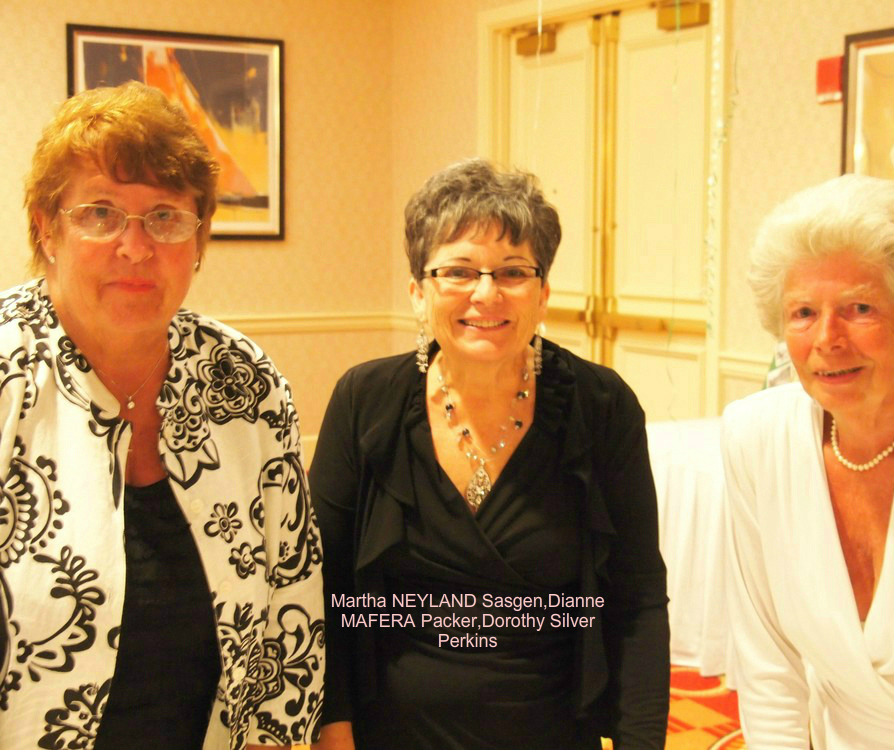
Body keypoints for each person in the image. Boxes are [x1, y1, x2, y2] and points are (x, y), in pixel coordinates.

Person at [0, 82, 324, 749]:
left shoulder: (245, 384)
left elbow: (293, 604)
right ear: (45, 227)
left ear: (199, 238)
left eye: (166, 217)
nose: (135, 246)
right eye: (100, 213)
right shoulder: (8, 375)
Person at [310, 158, 669, 750]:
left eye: (512, 272)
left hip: (550, 733)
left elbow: (638, 601)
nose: (486, 293)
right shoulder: (364, 400)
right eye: (457, 271)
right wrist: (335, 731)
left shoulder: (602, 406)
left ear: (543, 293)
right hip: (391, 733)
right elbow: (326, 588)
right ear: (418, 293)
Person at [722, 174, 894, 748]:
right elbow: (768, 666)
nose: (827, 338)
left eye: (860, 308)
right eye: (803, 312)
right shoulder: (756, 437)